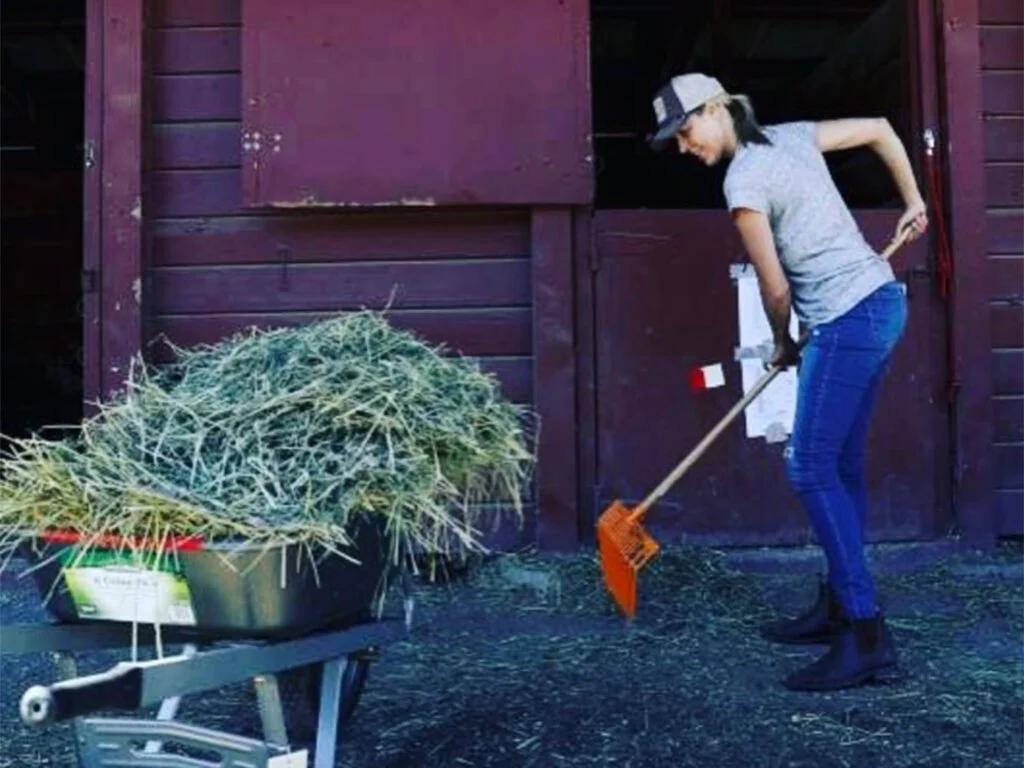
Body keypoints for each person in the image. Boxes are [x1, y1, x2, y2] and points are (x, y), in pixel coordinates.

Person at [647, 73, 928, 692]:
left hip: (850, 320)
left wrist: (781, 343)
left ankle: (866, 633)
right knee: (841, 465)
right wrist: (915, 200)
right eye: (674, 139)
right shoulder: (791, 138)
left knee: (809, 467)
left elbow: (774, 287)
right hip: (882, 306)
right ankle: (838, 602)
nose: (684, 146)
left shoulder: (742, 181)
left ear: (717, 108)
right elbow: (881, 129)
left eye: (686, 130)